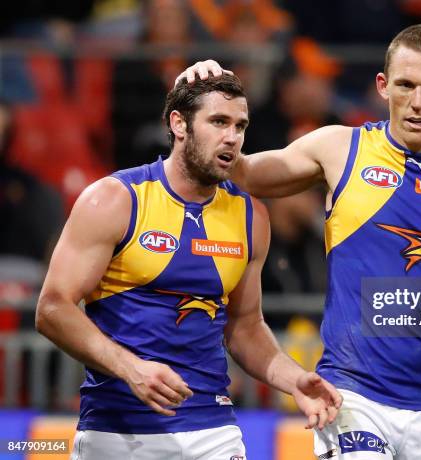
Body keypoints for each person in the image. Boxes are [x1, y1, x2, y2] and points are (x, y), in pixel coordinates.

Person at [179, 23, 421, 459]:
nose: (417, 102)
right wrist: (199, 96)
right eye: (405, 85)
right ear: (382, 86)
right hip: (352, 395)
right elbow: (241, 171)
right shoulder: (339, 148)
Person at [35, 73, 342, 459]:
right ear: (179, 124)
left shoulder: (251, 218)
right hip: (119, 431)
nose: (232, 137)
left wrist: (295, 379)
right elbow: (52, 308)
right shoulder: (115, 200)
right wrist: (132, 369)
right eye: (218, 122)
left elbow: (245, 326)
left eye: (240, 126)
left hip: (214, 429)